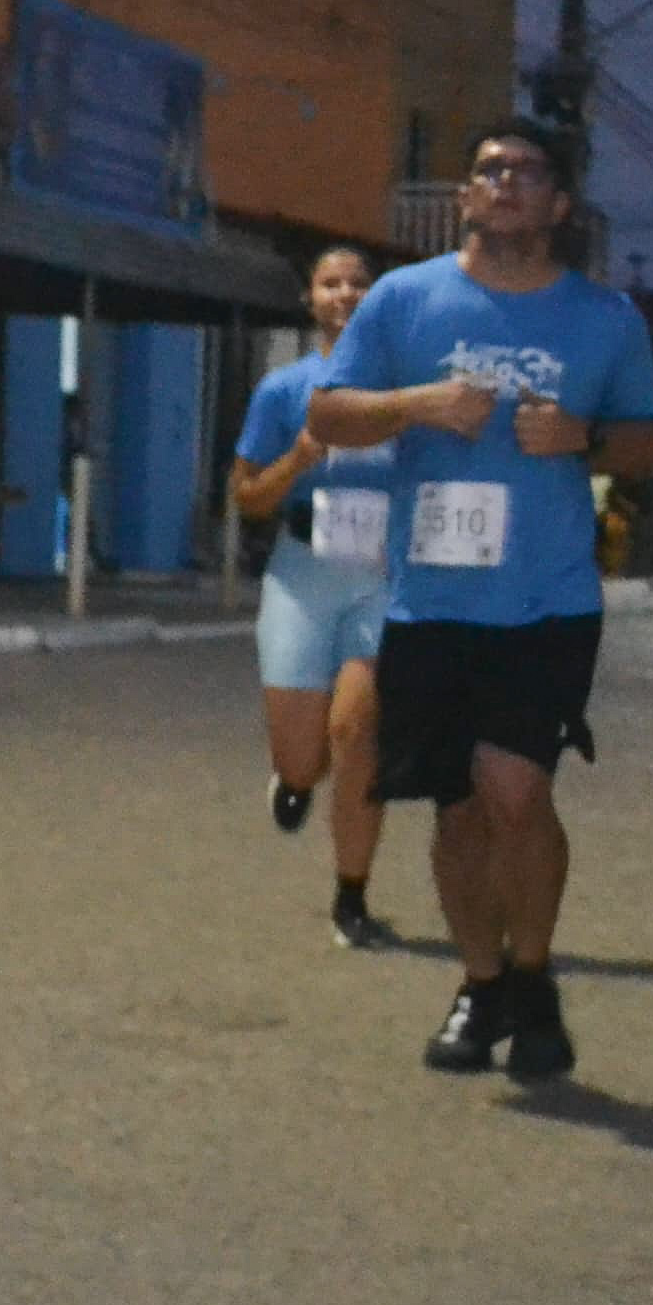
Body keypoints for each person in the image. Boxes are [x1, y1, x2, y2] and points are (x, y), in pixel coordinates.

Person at [310, 121, 653, 1082]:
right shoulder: (403, 299)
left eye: (527, 172)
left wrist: (583, 435)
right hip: (428, 600)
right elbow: (328, 413)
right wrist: (416, 404)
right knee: (457, 810)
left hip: (545, 601)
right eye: (488, 171)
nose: (504, 183)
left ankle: (535, 970)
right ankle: (483, 984)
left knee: (517, 789)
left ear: (559, 204)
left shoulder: (604, 317)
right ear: (466, 195)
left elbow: (649, 442)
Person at [230, 245, 404, 950]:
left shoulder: (404, 392)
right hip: (305, 569)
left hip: (383, 577)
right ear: (310, 299)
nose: (346, 294)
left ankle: (352, 896)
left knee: (357, 733)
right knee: (305, 754)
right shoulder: (283, 390)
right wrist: (298, 459)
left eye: (359, 283)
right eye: (330, 282)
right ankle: (295, 780)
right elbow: (245, 497)